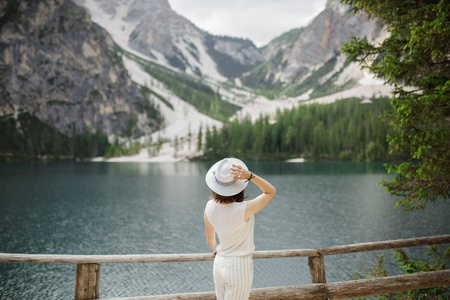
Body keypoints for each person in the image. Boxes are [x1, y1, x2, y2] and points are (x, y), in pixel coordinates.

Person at [204, 158, 276, 300]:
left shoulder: (209, 206)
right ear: (239, 186)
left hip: (219, 263)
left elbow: (210, 240)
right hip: (238, 265)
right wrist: (250, 176)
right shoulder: (244, 209)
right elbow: (270, 191)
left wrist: (217, 249)